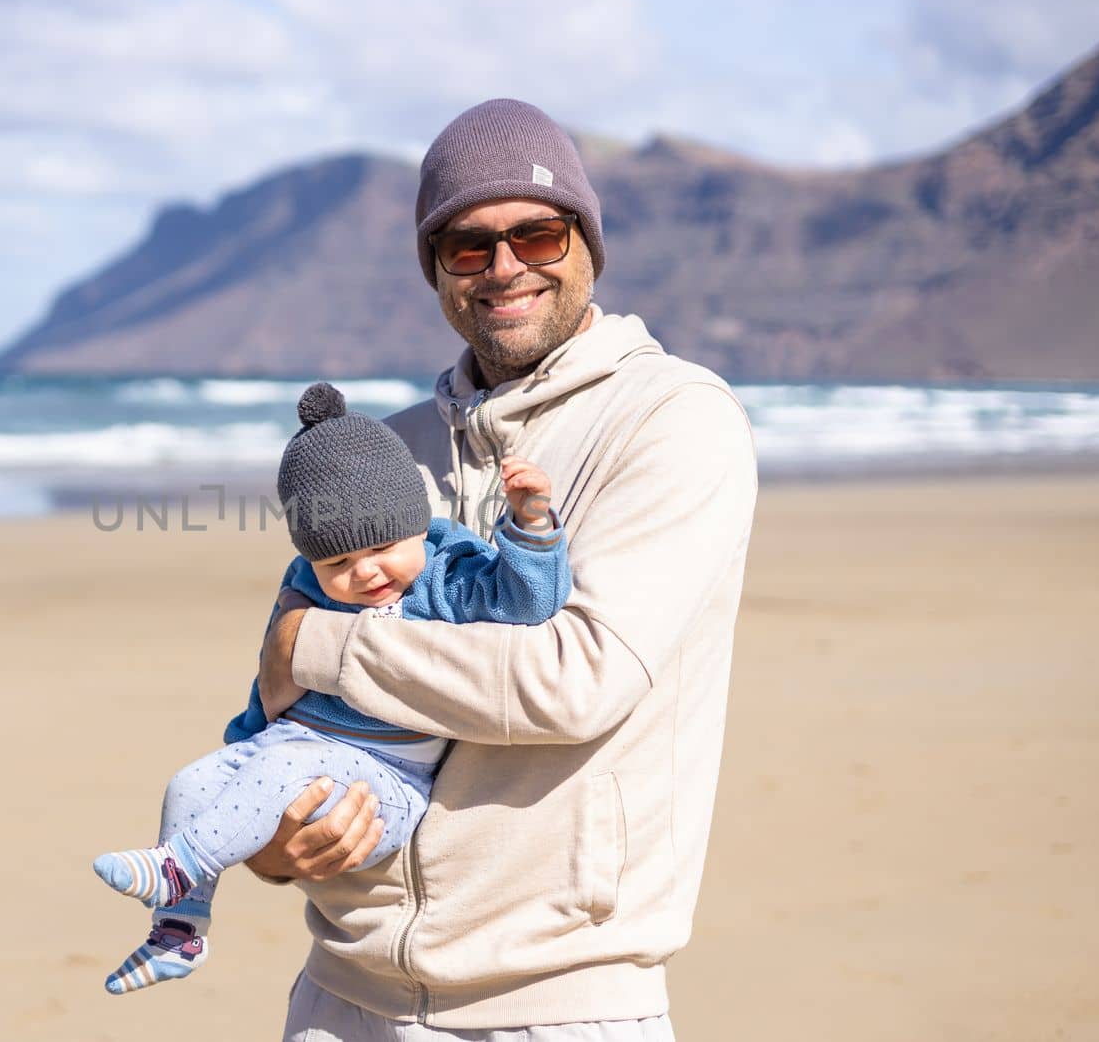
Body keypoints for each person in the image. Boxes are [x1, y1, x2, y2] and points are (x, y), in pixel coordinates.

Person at [247, 99, 759, 1039]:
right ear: (437, 268)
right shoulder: (382, 453)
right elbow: (282, 708)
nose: (506, 268)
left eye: (538, 232)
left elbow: (576, 680)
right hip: (340, 998)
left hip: (557, 1003)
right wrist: (276, 844)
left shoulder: (676, 419)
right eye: (468, 246)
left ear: (588, 244)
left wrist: (317, 641)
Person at [92, 381, 573, 995]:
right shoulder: (307, 590)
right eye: (336, 563)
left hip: (388, 784)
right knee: (190, 783)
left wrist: (530, 525)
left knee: (286, 766)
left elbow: (526, 602)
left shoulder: (446, 578)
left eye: (381, 547)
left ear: (416, 527)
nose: (364, 573)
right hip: (295, 754)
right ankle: (178, 931)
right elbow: (272, 680)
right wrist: (241, 746)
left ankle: (180, 866)